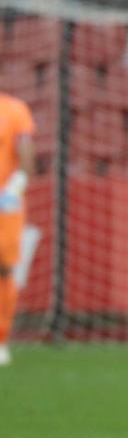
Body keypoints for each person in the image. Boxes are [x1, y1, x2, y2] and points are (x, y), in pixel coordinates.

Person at [0, 90, 34, 366]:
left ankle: (1, 340)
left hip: (3, 203)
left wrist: (15, 187)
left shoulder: (14, 109)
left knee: (3, 268)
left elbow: (26, 153)